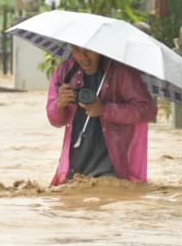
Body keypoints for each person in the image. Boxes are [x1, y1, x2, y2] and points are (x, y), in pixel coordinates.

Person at [46, 45, 157, 185]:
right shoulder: (65, 71)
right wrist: (59, 104)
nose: (83, 58)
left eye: (88, 51)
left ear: (100, 47)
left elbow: (147, 110)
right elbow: (55, 120)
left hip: (113, 166)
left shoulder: (122, 71)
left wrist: (105, 110)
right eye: (76, 51)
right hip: (75, 166)